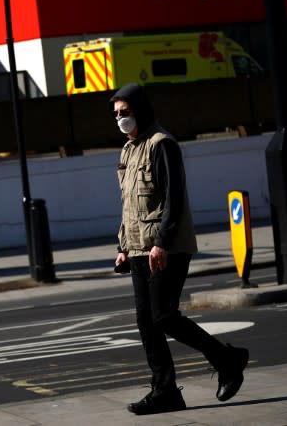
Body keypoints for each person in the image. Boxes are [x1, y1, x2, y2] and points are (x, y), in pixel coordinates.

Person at [110, 83, 249, 415]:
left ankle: (226, 359)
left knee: (164, 316)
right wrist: (123, 247)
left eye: (125, 112)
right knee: (147, 321)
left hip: (165, 247)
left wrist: (162, 242)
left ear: (140, 110)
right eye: (116, 114)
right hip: (140, 248)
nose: (120, 119)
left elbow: (173, 199)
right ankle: (165, 390)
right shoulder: (129, 149)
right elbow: (129, 203)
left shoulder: (162, 145)